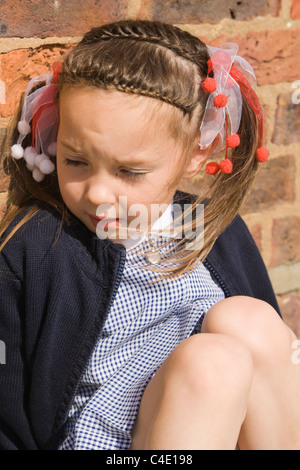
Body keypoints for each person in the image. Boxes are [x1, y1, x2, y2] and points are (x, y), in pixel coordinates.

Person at [0, 19, 299, 450]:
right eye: (76, 161)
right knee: (211, 362)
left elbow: (276, 373)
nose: (99, 192)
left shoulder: (210, 229)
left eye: (130, 171)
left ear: (196, 152)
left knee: (249, 322)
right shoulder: (38, 247)